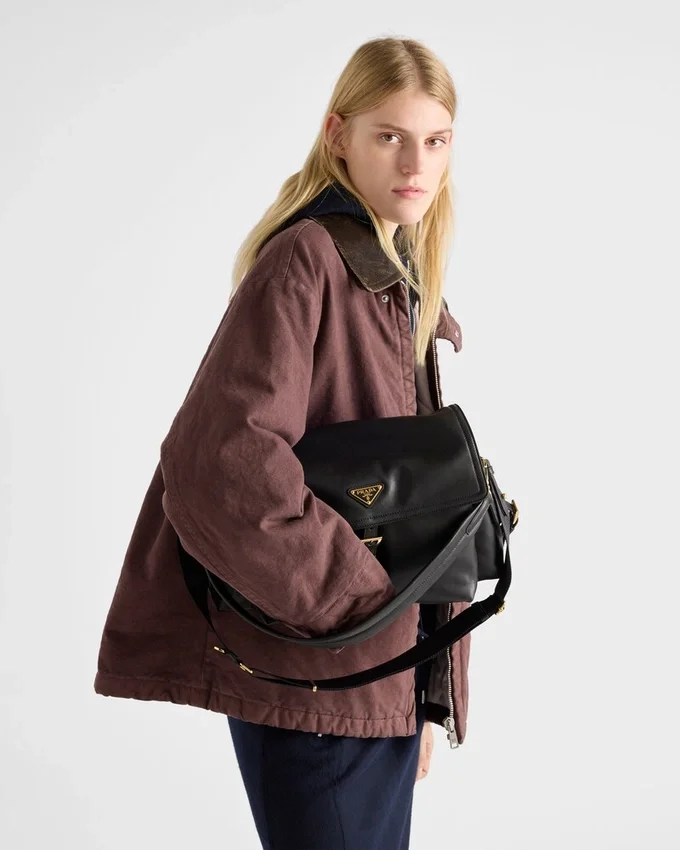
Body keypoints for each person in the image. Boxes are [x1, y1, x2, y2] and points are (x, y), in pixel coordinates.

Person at [94, 35, 470, 850]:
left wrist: (417, 690)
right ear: (339, 135)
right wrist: (360, 601)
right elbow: (220, 466)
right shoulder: (308, 261)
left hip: (375, 679)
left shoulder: (397, 271)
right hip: (322, 677)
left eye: (436, 140)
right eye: (390, 136)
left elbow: (406, 498)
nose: (416, 163)